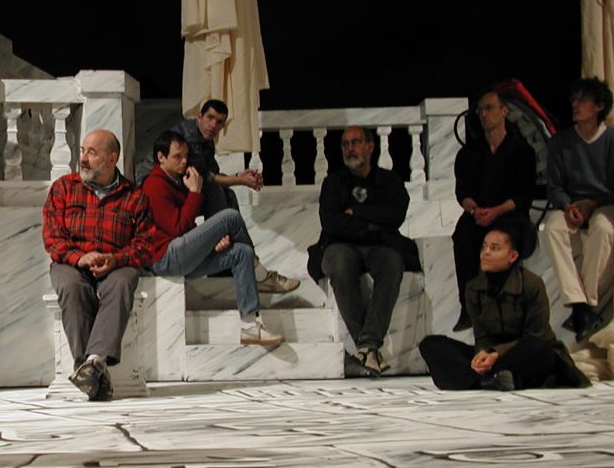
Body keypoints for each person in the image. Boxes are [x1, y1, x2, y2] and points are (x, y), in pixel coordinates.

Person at [43, 129, 158, 401]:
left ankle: (92, 362)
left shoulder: (134, 196)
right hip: (71, 262)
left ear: (112, 158)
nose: (83, 158)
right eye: (83, 151)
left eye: (92, 153)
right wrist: (79, 257)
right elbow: (52, 238)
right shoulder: (63, 188)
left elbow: (146, 245)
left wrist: (116, 259)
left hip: (115, 263)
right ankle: (94, 370)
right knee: (71, 286)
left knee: (123, 281)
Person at [141, 131, 283, 346]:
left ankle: (250, 326)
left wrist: (209, 244)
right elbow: (177, 230)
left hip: (182, 255)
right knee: (230, 217)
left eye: (186, 155)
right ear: (161, 157)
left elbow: (186, 228)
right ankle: (261, 275)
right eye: (177, 156)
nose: (184, 161)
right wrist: (195, 192)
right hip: (165, 258)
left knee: (241, 253)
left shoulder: (176, 180)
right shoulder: (155, 185)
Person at [419, 223, 590, 391]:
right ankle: (489, 380)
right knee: (431, 344)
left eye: (494, 248)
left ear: (513, 256)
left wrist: (496, 354)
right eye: (484, 247)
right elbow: (481, 335)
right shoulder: (474, 287)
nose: (486, 252)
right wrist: (482, 353)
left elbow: (536, 335)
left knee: (539, 348)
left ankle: (482, 379)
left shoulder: (531, 284)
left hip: (523, 352)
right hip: (493, 356)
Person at [308, 126, 421, 377]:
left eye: (356, 142)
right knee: (339, 263)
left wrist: (357, 213)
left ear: (370, 146)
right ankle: (369, 346)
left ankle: (366, 348)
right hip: (340, 245)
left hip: (380, 245)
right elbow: (331, 222)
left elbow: (395, 216)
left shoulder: (390, 181)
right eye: (345, 144)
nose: (350, 149)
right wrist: (371, 224)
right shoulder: (334, 182)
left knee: (392, 262)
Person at [172, 99, 299, 294]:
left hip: (183, 191)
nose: (213, 125)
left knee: (227, 194)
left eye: (219, 122)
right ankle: (254, 271)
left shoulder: (206, 141)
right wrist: (240, 180)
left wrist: (240, 176)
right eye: (210, 118)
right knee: (216, 192)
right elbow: (207, 178)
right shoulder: (190, 135)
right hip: (165, 194)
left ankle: (239, 265)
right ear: (199, 116)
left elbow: (213, 174)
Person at [543, 77, 614, 341]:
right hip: (573, 205)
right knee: (552, 228)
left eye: (582, 100)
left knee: (603, 228)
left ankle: (587, 304)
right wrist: (568, 205)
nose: (575, 104)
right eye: (574, 99)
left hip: (604, 204)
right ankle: (579, 304)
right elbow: (554, 186)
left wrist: (594, 204)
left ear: (599, 106)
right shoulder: (561, 142)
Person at [451, 88, 537, 331]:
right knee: (463, 235)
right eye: (480, 110)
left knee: (504, 238)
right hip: (479, 214)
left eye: (489, 108)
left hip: (509, 215)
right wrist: (475, 210)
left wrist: (496, 212)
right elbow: (463, 192)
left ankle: (508, 305)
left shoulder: (522, 152)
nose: (483, 114)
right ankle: (468, 307)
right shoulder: (469, 153)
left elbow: (523, 196)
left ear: (504, 111)